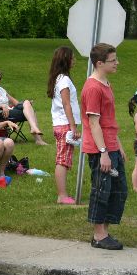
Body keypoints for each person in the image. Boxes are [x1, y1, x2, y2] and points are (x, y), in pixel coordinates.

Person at [80, 43, 128, 251]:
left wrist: (118, 146)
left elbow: (109, 120)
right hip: (100, 149)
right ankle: (99, 235)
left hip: (111, 146)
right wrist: (104, 153)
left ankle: (104, 232)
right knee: (102, 190)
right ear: (100, 63)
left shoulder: (106, 83)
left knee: (118, 191)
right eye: (113, 60)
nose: (117, 63)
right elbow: (93, 123)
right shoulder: (93, 88)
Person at [47, 46, 81, 205]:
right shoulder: (64, 80)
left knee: (64, 159)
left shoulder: (58, 78)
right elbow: (67, 104)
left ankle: (63, 194)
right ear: (65, 60)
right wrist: (73, 127)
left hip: (61, 124)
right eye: (72, 58)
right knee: (62, 160)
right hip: (65, 124)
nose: (74, 61)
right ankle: (62, 195)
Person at [0, 69, 47, 146]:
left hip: (10, 111)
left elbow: (15, 102)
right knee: (32, 113)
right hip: (1, 114)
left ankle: (34, 130)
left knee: (27, 102)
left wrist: (27, 104)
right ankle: (38, 139)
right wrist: (2, 106)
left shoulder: (1, 90)